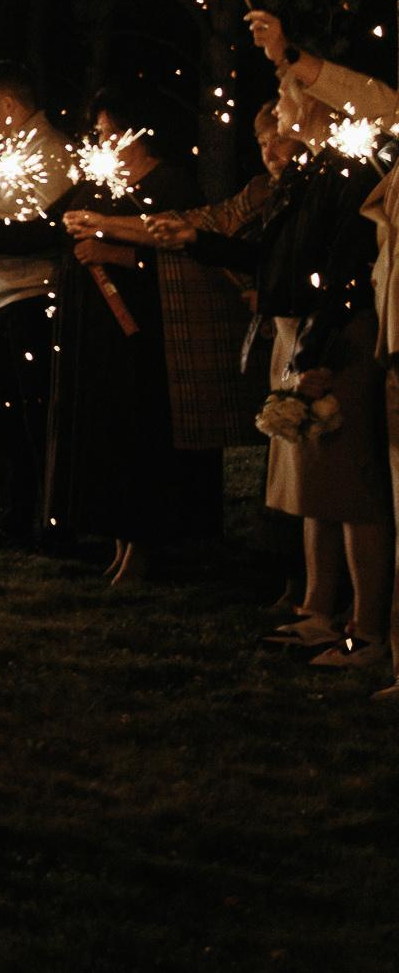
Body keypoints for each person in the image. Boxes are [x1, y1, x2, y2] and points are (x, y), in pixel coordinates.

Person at [149, 67, 387, 666]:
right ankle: (317, 611)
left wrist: (315, 353)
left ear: (317, 109)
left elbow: (343, 271)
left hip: (341, 341)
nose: (277, 106)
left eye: (285, 97)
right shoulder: (307, 178)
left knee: (351, 494)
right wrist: (196, 241)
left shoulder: (352, 174)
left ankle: (366, 629)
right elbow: (277, 261)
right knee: (315, 490)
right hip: (313, 337)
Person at [0, 93, 226, 583]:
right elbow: (49, 228)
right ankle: (116, 538)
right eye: (99, 134)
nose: (101, 141)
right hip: (97, 328)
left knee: (140, 434)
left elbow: (187, 256)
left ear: (138, 133)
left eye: (108, 132)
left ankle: (146, 542)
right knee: (107, 432)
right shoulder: (99, 181)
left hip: (147, 330)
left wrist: (115, 254)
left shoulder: (171, 182)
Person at [0, 60, 72, 543]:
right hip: (7, 300)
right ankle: (14, 513)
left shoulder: (48, 151)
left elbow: (44, 234)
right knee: (8, 416)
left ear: (8, 104)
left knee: (32, 417)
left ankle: (40, 518)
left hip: (34, 301)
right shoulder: (17, 152)